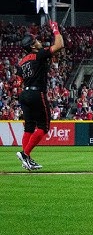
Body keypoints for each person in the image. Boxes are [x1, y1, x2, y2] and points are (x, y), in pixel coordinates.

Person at [15, 21, 64, 171]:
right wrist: (55, 29)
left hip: (24, 94)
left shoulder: (21, 62)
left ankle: (27, 160)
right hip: (37, 92)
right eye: (35, 40)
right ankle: (25, 154)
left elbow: (18, 82)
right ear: (32, 46)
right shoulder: (38, 55)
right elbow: (60, 45)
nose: (38, 41)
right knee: (44, 126)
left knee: (29, 127)